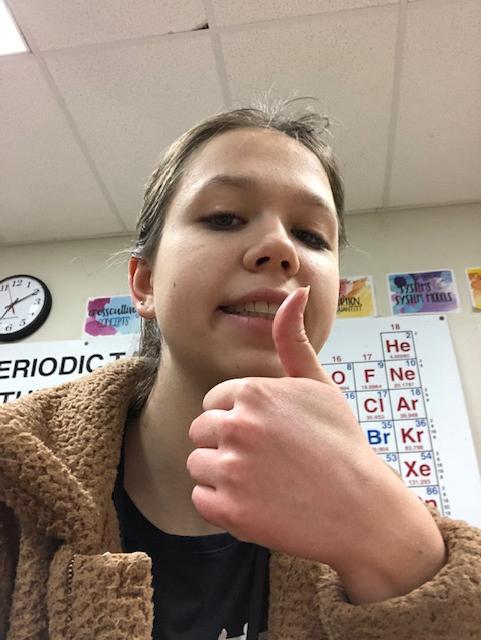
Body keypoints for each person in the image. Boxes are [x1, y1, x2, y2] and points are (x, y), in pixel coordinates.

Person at [1, 99, 481, 640]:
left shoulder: (385, 515)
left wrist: (393, 549)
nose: (280, 248)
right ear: (144, 282)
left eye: (311, 235)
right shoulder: (14, 474)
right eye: (224, 217)